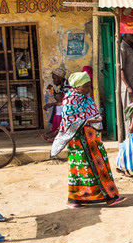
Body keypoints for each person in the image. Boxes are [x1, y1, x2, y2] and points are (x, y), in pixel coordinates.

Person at [50, 72, 125, 209]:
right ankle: (76, 199)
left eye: (89, 85)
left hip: (92, 140)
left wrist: (96, 119)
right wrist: (87, 120)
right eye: (85, 86)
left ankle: (108, 196)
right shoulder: (70, 100)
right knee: (82, 170)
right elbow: (68, 123)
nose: (88, 89)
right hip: (79, 143)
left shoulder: (86, 99)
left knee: (100, 166)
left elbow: (93, 113)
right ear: (77, 87)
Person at [42, 67, 69, 141]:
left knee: (58, 109)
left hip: (69, 109)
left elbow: (64, 101)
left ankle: (56, 134)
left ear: (60, 78)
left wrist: (51, 104)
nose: (53, 81)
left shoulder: (67, 87)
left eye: (54, 79)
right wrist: (53, 91)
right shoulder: (62, 86)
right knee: (56, 109)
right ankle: (55, 132)